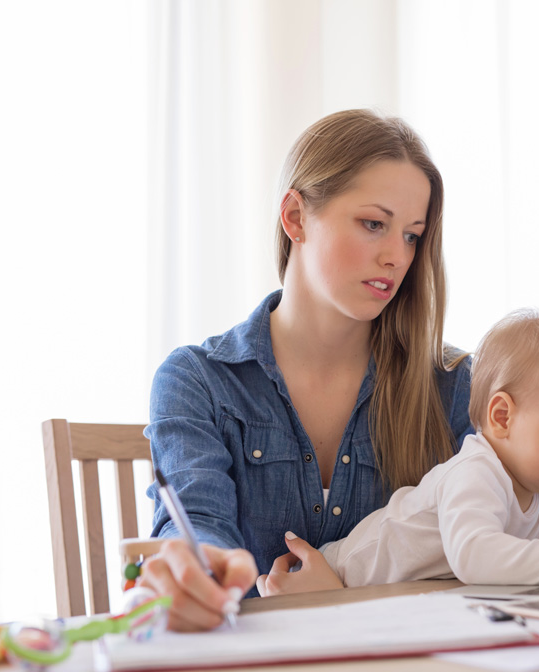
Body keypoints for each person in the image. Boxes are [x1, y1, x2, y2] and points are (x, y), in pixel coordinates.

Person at [138, 109, 474, 631]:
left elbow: (486, 548)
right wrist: (196, 568)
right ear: (295, 217)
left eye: (412, 235)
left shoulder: (452, 385)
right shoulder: (197, 381)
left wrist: (346, 596)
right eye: (373, 224)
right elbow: (196, 523)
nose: (397, 257)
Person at [258, 309, 539, 592]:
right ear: (502, 417)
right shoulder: (475, 473)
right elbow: (475, 554)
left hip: (391, 606)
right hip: (333, 578)